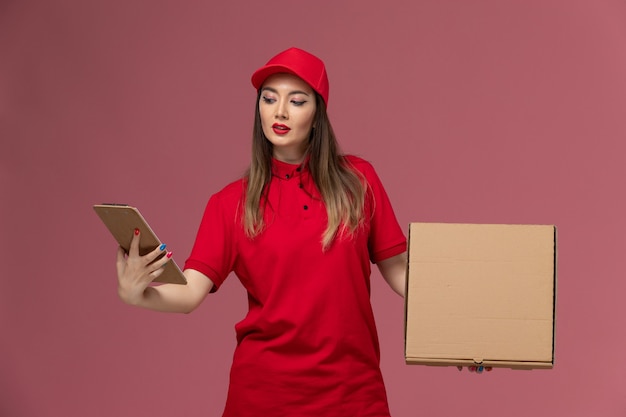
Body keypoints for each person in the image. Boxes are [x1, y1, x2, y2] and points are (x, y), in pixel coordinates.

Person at [116, 47, 410, 417]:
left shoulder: (359, 181)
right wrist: (136, 294)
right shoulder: (229, 203)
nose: (280, 112)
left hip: (352, 396)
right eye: (269, 99)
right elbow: (190, 292)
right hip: (262, 398)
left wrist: (467, 330)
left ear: (318, 113)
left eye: (296, 100)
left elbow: (400, 272)